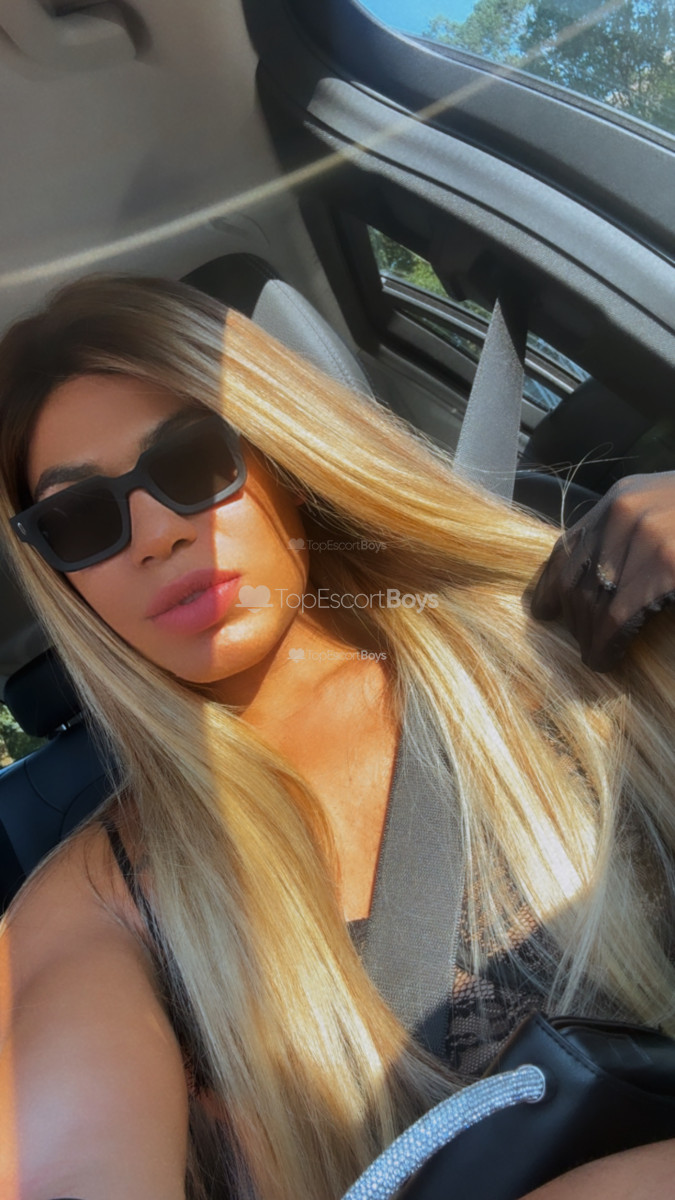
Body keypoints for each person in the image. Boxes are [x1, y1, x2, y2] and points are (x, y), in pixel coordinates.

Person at [0, 273, 673, 1200]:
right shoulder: (98, 900)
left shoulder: (560, 643)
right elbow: (70, 1167)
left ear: (277, 448)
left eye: (191, 461)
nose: (154, 534)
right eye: (79, 519)